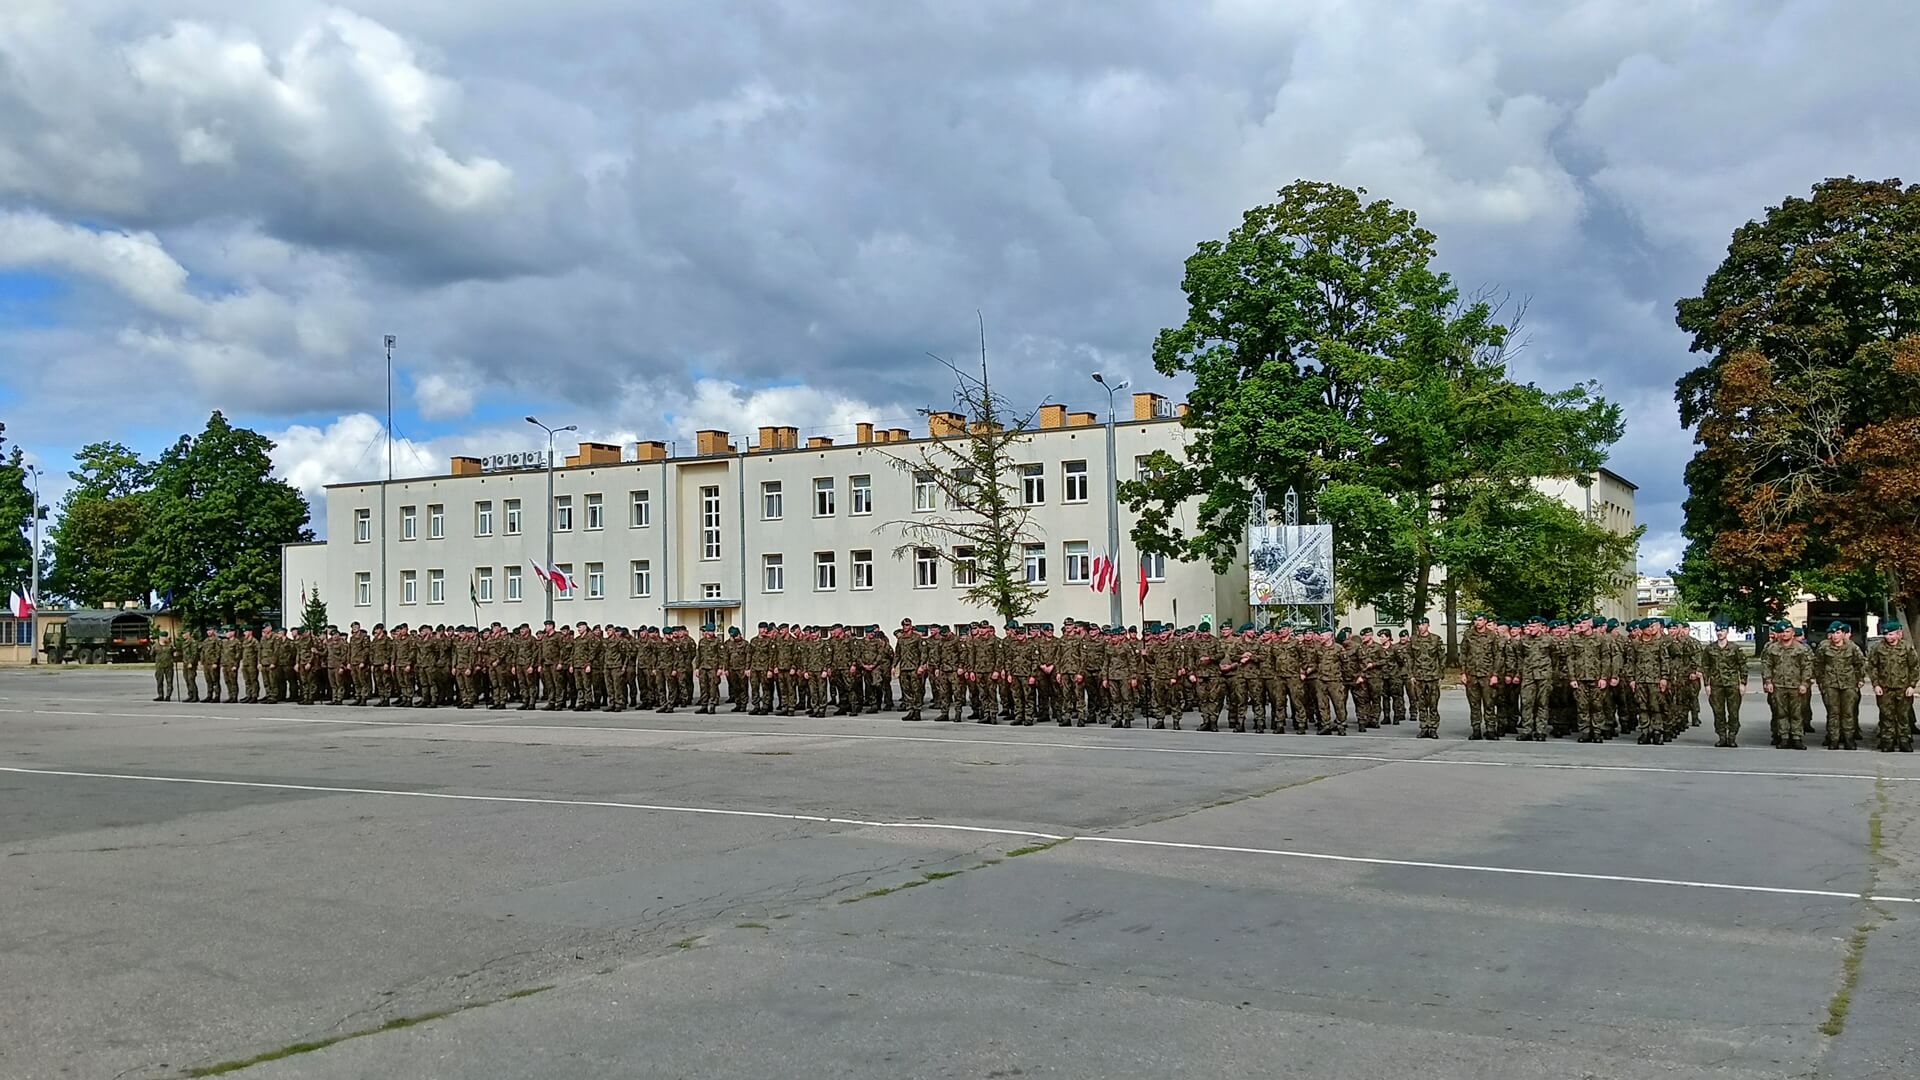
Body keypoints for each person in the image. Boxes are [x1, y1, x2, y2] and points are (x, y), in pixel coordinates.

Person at [1867, 621, 1916, 753]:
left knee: (1903, 716)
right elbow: (1872, 667)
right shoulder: (1878, 648)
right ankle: (1887, 741)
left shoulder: (1906, 647)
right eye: (1886, 635)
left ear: (1897, 634)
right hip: (1885, 688)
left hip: (1903, 687)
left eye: (1891, 634)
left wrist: (1912, 686)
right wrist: (1876, 684)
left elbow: (1914, 667)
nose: (1888, 637)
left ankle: (1904, 741)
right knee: (1886, 716)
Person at [1701, 624, 1748, 747]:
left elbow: (1742, 666)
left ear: (1727, 632)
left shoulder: (1735, 648)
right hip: (1716, 684)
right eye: (1718, 631)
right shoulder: (1710, 649)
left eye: (1722, 631)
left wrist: (1743, 683)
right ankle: (1722, 736)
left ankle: (1732, 736)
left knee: (1733, 712)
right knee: (1718, 712)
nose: (1719, 633)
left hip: (1732, 684)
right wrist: (1707, 684)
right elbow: (1705, 667)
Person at [152, 631, 174, 702]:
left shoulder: (170, 646)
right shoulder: (155, 646)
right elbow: (152, 655)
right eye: (162, 637)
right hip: (159, 666)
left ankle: (168, 696)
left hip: (169, 666)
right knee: (159, 681)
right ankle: (160, 695)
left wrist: (176, 653)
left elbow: (175, 654)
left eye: (165, 637)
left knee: (169, 681)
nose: (163, 638)